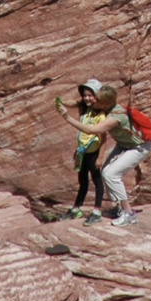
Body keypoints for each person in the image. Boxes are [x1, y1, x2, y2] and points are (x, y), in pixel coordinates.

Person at [54, 83, 150, 226]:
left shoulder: (114, 117)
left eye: (96, 99)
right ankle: (118, 208)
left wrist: (67, 117)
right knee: (105, 172)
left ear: (104, 103)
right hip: (124, 144)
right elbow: (79, 102)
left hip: (138, 147)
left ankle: (129, 213)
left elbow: (91, 130)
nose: (92, 100)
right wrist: (61, 101)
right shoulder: (105, 107)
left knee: (111, 174)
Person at [56, 79, 108, 221]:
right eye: (85, 95)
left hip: (94, 152)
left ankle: (97, 211)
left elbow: (103, 138)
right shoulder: (85, 109)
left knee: (97, 180)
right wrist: (61, 101)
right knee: (83, 181)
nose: (86, 98)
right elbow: (75, 102)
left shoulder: (100, 115)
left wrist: (100, 157)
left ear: (97, 96)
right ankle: (76, 209)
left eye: (90, 95)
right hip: (82, 152)